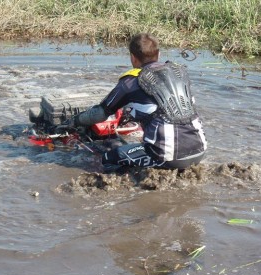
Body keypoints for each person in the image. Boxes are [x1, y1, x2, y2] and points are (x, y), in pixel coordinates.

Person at [66, 33, 207, 171]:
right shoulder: (179, 72)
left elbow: (100, 114)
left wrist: (75, 121)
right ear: (158, 54)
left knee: (106, 158)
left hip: (168, 157)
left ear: (133, 58)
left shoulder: (130, 82)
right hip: (200, 149)